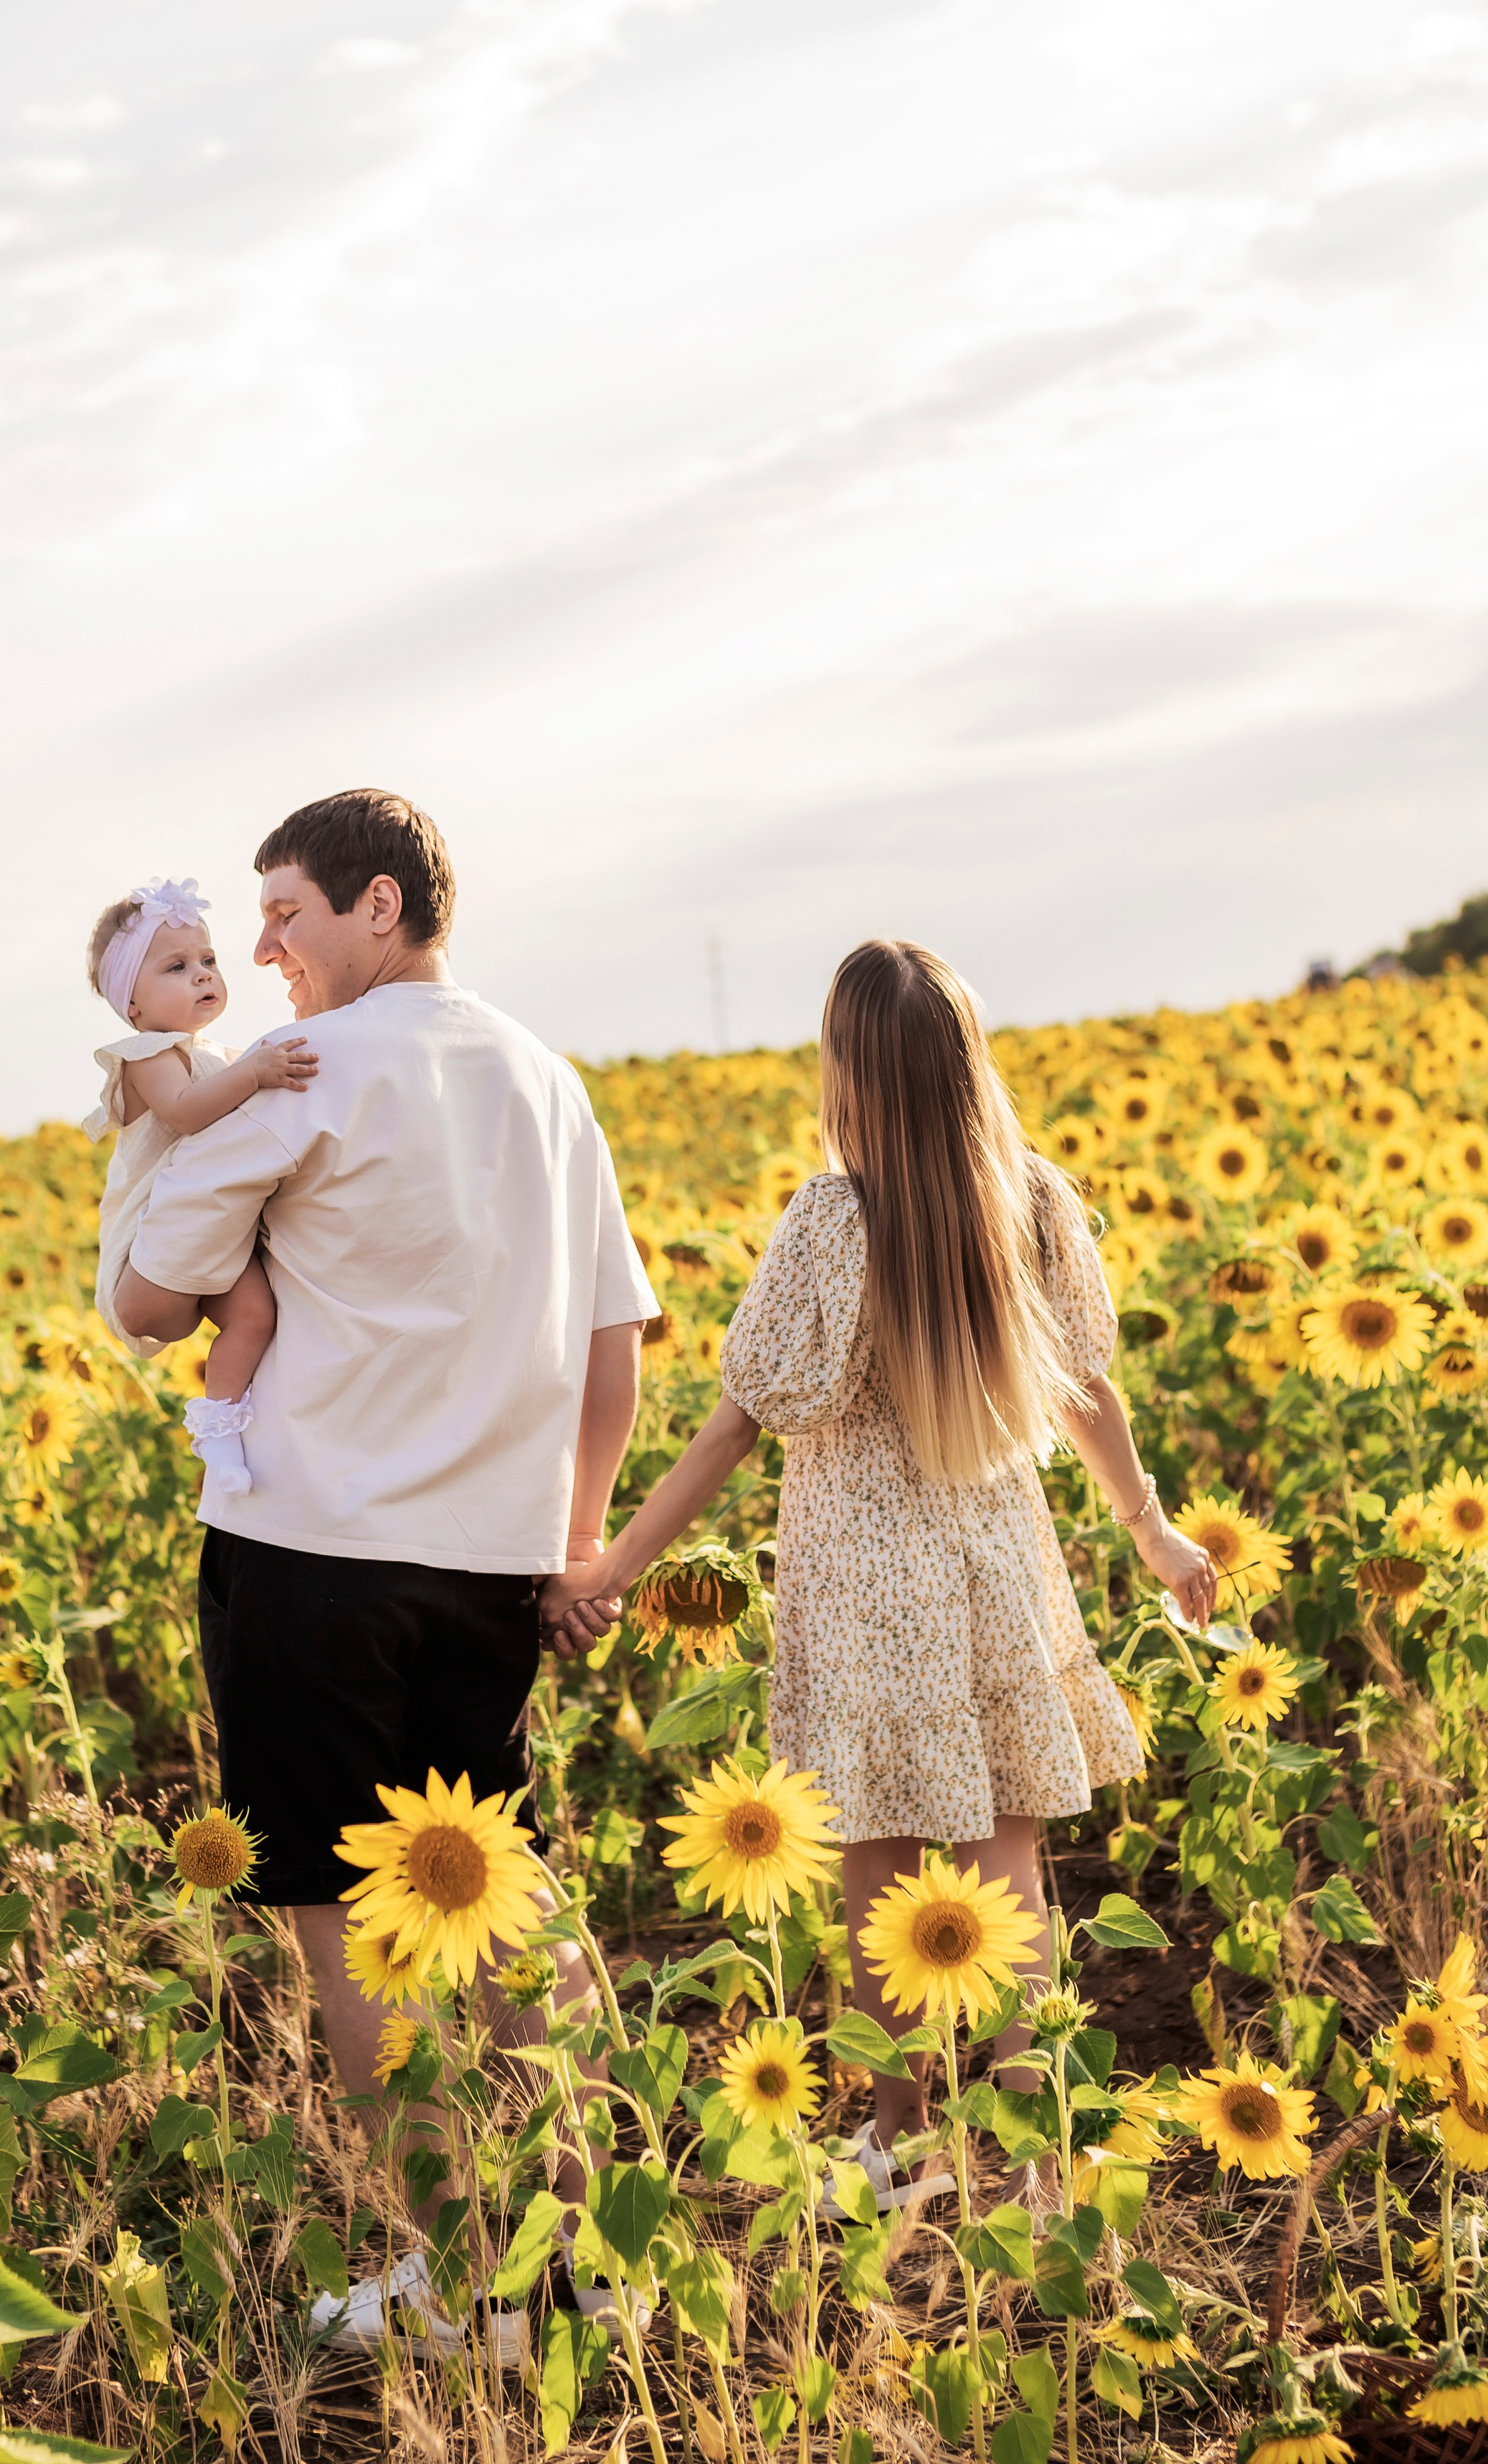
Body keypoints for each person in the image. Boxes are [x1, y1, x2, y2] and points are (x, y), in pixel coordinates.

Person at [539, 937, 1216, 2204]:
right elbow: (1089, 1393)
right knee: (1007, 1864)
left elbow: (739, 1422)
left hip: (864, 1577)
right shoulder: (1037, 1203)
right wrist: (1154, 1530)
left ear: (846, 1071)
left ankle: (901, 2142)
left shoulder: (834, 1220)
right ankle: (1033, 2153)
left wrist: (612, 1564)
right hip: (1000, 1560)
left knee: (877, 1865)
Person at [113, 790, 659, 2343]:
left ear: (378, 905)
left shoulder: (309, 1073)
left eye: (285, 912)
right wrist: (573, 1544)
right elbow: (613, 1348)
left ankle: (465, 2283)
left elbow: (152, 1306)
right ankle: (598, 2255)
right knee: (503, 1898)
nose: (263, 951)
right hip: (489, 1569)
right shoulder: (547, 1079)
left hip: (311, 1557)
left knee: (350, 1919)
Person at [82, 877, 318, 1494]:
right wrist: (260, 1071)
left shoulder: (216, 1053)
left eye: (209, 961)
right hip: (154, 1241)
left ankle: (221, 1431)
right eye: (177, 967)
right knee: (248, 1311)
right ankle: (219, 1436)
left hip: (212, 1234)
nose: (203, 975)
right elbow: (187, 1111)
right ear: (131, 1004)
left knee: (255, 1317)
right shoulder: (146, 1055)